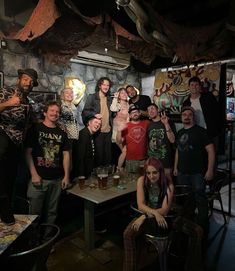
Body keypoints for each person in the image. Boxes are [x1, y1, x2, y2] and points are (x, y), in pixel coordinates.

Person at [0, 68, 38, 225]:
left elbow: (28, 125)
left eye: (31, 82)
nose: (28, 83)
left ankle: (5, 212)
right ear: (19, 80)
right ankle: (5, 212)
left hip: (16, 144)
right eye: (25, 79)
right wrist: (9, 103)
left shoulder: (27, 102)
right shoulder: (7, 92)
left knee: (11, 179)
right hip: (3, 136)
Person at [123, 157, 174, 271]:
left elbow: (165, 210)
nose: (151, 176)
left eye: (155, 172)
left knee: (138, 234)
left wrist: (144, 216)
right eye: (148, 173)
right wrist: (147, 214)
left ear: (160, 171)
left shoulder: (168, 184)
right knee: (127, 234)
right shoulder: (142, 180)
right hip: (147, 213)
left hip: (161, 217)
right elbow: (140, 205)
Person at [25, 101, 70, 224]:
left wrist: (66, 176)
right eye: (52, 110)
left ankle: (47, 239)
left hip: (57, 179)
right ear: (45, 112)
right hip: (38, 178)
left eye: (57, 111)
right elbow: (27, 153)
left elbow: (66, 154)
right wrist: (34, 174)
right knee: (34, 214)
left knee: (52, 213)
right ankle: (33, 242)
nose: (55, 113)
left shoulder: (62, 133)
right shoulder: (35, 129)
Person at [173, 106, 215, 234]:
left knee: (200, 199)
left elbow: (211, 151)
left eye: (189, 114)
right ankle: (189, 225)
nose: (186, 116)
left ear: (193, 117)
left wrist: (210, 170)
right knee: (187, 199)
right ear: (181, 117)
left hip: (197, 172)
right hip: (182, 172)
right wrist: (175, 167)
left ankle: (202, 228)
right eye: (184, 114)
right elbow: (177, 151)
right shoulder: (180, 132)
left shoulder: (201, 131)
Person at [82, 77, 112, 166]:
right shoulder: (92, 97)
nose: (106, 87)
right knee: (98, 156)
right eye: (104, 84)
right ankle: (98, 176)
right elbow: (85, 111)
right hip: (98, 131)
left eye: (108, 85)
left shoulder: (109, 99)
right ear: (99, 85)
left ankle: (107, 176)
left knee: (108, 156)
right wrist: (94, 114)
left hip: (108, 130)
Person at [182, 76, 221, 141]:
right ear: (189, 87)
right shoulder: (186, 103)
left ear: (200, 86)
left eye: (196, 84)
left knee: (212, 151)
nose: (194, 87)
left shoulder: (209, 98)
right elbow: (185, 118)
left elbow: (218, 112)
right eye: (192, 85)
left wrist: (219, 129)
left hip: (210, 133)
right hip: (194, 134)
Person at [116, 104, 149, 173]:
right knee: (131, 181)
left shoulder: (146, 123)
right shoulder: (126, 126)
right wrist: (119, 131)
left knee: (144, 181)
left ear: (140, 113)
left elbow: (151, 115)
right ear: (130, 116)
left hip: (144, 159)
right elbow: (119, 141)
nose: (135, 114)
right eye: (132, 113)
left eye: (136, 112)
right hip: (131, 160)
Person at [147, 103, 176, 181]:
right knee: (156, 185)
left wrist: (166, 124)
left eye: (152, 108)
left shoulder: (168, 122)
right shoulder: (149, 125)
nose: (150, 111)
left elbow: (172, 140)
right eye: (148, 110)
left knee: (168, 183)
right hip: (153, 162)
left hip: (166, 162)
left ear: (158, 110)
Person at [59, 88, 80, 174]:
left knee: (72, 155)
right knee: (66, 155)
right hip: (66, 134)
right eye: (67, 93)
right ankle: (66, 176)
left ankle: (70, 176)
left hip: (74, 134)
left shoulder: (73, 106)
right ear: (62, 95)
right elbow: (58, 119)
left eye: (71, 93)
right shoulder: (61, 106)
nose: (70, 94)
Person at [110, 87, 129, 172]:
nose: (124, 94)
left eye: (125, 93)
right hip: (117, 130)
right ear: (119, 95)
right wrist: (115, 98)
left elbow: (129, 118)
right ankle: (119, 169)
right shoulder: (117, 104)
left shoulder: (129, 105)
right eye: (122, 93)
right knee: (124, 151)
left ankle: (120, 169)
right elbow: (113, 109)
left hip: (126, 130)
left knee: (125, 151)